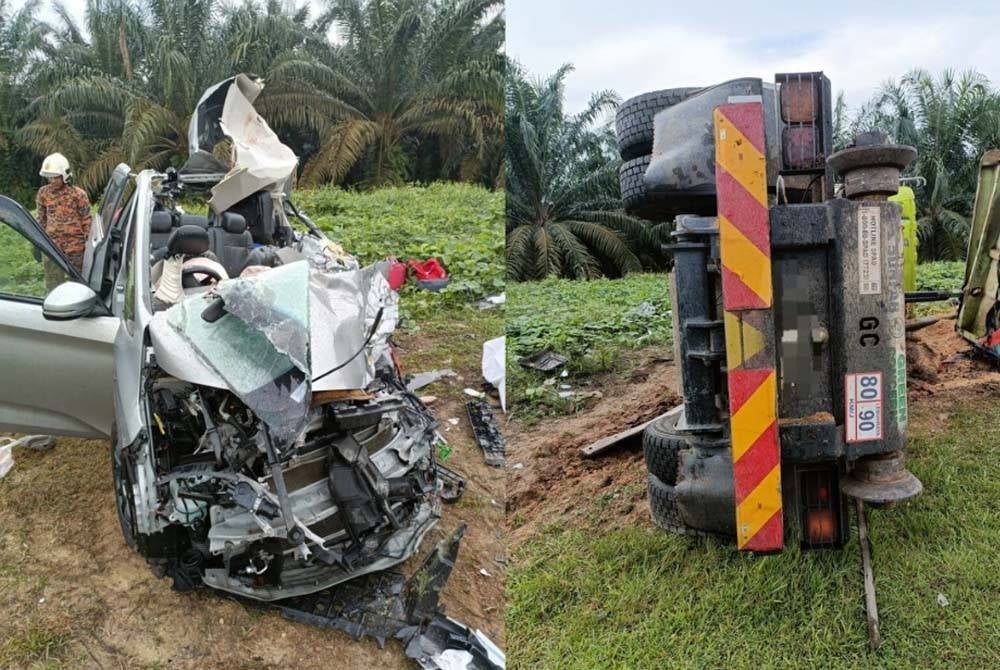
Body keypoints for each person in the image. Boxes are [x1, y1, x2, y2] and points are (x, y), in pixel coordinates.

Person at [35, 153, 92, 288]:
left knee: (78, 284)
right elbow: (41, 219)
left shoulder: (78, 194)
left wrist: (90, 246)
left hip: (75, 248)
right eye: (50, 178)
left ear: (64, 176)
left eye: (56, 177)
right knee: (53, 285)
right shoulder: (43, 193)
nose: (53, 181)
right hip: (52, 246)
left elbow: (87, 220)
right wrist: (37, 243)